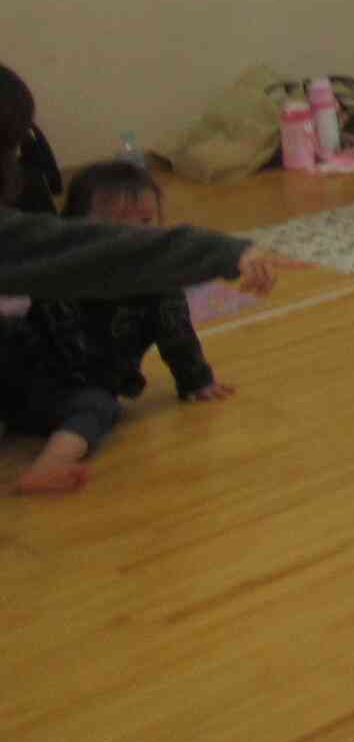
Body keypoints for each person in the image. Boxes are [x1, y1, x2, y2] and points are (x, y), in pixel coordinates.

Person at [3, 159, 236, 495]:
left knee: (99, 407)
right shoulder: (65, 271)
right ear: (75, 231)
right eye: (113, 227)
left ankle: (50, 462)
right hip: (24, 369)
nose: (131, 238)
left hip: (71, 392)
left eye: (145, 223)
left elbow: (176, 333)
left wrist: (195, 379)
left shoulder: (157, 283)